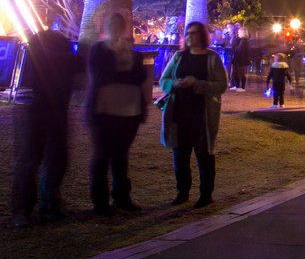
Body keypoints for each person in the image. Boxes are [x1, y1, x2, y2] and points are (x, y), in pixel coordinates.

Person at [9, 30, 83, 228]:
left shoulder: (36, 53)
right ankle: (43, 205)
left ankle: (28, 208)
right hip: (45, 109)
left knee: (35, 159)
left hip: (39, 108)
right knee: (45, 159)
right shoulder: (64, 58)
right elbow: (80, 65)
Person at [159, 21, 228, 208]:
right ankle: (182, 192)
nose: (189, 36)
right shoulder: (179, 56)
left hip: (202, 115)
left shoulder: (212, 58)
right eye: (187, 33)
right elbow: (163, 79)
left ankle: (206, 195)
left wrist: (198, 84)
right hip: (179, 113)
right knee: (180, 156)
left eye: (194, 33)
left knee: (204, 156)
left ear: (202, 35)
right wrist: (175, 83)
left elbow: (222, 85)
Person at [86, 11, 147, 215]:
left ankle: (122, 198)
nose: (115, 26)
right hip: (104, 110)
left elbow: (140, 77)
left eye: (119, 23)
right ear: (105, 25)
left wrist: (123, 70)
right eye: (111, 22)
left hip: (130, 112)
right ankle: (100, 202)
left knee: (121, 156)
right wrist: (125, 69)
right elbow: (102, 76)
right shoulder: (98, 49)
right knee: (102, 156)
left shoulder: (132, 51)